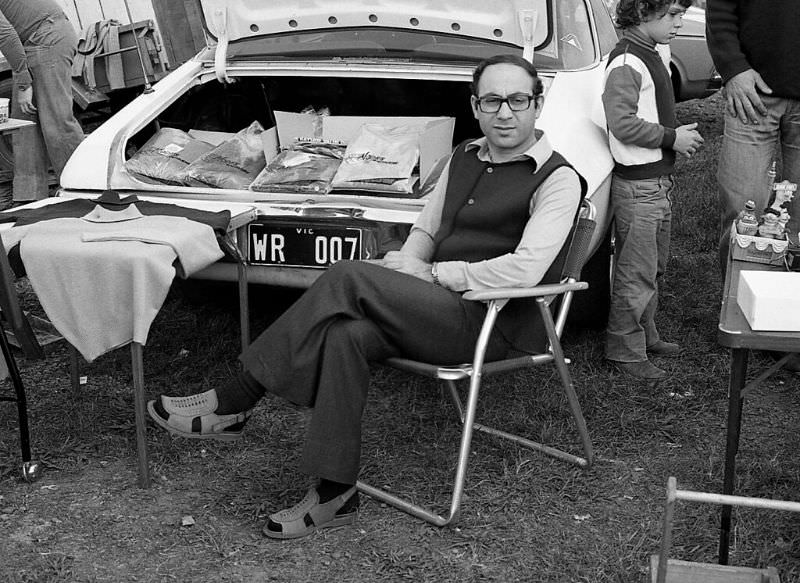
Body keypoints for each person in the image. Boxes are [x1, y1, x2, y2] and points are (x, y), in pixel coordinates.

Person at [148, 54, 586, 539]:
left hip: (490, 324)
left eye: (518, 100)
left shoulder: (558, 179)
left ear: (537, 105)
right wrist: (411, 262)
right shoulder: (465, 155)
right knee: (347, 333)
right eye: (492, 100)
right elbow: (426, 227)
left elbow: (527, 267)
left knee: (348, 276)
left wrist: (430, 272)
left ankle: (237, 398)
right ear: (475, 106)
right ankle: (337, 491)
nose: (505, 112)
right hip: (434, 310)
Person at [603, 0, 704, 380]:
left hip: (656, 183)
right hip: (638, 187)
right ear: (644, 12)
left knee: (654, 266)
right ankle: (624, 349)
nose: (680, 22)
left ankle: (646, 333)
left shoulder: (651, 52)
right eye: (673, 14)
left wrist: (672, 137)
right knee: (636, 271)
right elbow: (621, 123)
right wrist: (670, 138)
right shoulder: (628, 61)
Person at [706, 0, 800, 373]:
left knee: (798, 222)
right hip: (754, 93)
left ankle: (787, 326)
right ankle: (741, 317)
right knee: (744, 210)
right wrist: (733, 69)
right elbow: (720, 11)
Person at [0, 0, 84, 201]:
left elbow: (6, 36)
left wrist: (23, 83)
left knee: (56, 121)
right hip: (34, 39)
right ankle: (28, 198)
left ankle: (85, 186)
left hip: (46, 37)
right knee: (24, 125)